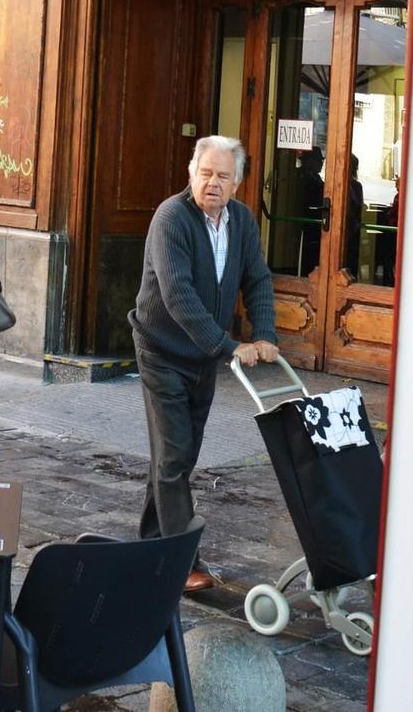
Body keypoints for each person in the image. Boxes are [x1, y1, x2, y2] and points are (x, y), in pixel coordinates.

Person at [132, 134, 279, 595]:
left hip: (202, 356)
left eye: (223, 176)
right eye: (205, 173)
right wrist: (228, 345)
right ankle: (179, 562)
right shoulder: (171, 217)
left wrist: (266, 334)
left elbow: (257, 277)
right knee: (175, 454)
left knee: (179, 453)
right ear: (191, 174)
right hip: (162, 350)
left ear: (238, 183)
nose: (212, 183)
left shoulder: (241, 222)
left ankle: (151, 542)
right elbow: (177, 296)